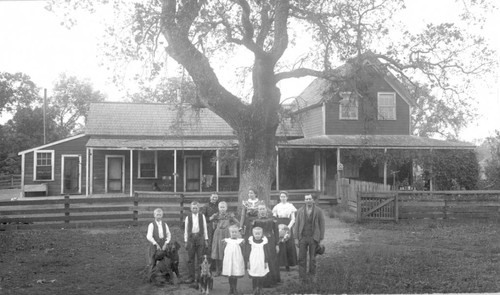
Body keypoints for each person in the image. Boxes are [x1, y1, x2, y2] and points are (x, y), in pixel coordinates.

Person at [294, 194, 325, 282]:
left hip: (313, 237)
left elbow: (322, 225)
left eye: (310, 199)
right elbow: (296, 225)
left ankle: (312, 276)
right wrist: (296, 238)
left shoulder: (318, 211)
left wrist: (321, 239)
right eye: (306, 199)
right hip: (303, 237)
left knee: (312, 259)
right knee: (301, 258)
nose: (308, 200)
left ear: (313, 200)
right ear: (304, 200)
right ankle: (302, 277)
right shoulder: (300, 211)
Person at [252, 204, 280, 287]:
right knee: (261, 260)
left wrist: (277, 244)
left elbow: (276, 232)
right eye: (260, 209)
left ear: (266, 210)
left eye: (263, 209)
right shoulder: (255, 221)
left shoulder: (272, 220)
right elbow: (252, 233)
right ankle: (262, 282)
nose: (262, 211)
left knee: (271, 260)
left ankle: (272, 281)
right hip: (260, 242)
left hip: (270, 241)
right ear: (258, 211)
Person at [210, 201, 239, 276]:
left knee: (225, 251)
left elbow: (237, 222)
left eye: (223, 207)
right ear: (218, 208)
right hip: (218, 234)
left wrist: (232, 228)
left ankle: (225, 270)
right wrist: (213, 219)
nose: (222, 209)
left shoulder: (229, 215)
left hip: (226, 234)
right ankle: (217, 270)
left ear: (226, 208)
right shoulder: (216, 215)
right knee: (217, 251)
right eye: (221, 207)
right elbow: (209, 220)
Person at [183, 201, 209, 284]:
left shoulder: (202, 216)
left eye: (196, 208)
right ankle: (191, 277)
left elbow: (205, 228)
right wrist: (186, 241)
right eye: (193, 208)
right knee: (190, 258)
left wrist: (206, 239)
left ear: (199, 208)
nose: (195, 209)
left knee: (200, 258)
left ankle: (199, 277)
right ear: (191, 209)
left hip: (200, 237)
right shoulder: (188, 217)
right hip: (191, 239)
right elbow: (186, 230)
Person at [272, 190, 298, 271]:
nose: (282, 198)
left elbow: (293, 219)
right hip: (279, 225)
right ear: (279, 198)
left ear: (287, 197)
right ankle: (279, 264)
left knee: (288, 244)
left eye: (284, 196)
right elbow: (274, 218)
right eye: (281, 197)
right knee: (280, 243)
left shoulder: (290, 206)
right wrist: (278, 227)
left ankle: (288, 265)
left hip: (287, 224)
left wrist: (288, 227)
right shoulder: (277, 206)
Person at [221, 224, 245, 295]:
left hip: (236, 259)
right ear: (230, 233)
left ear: (238, 233)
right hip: (229, 259)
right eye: (232, 232)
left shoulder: (240, 241)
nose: (234, 234)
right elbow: (223, 250)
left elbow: (243, 250)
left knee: (235, 274)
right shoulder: (226, 241)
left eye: (235, 232)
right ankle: (231, 288)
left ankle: (235, 288)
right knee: (230, 273)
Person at [245, 227, 269, 295]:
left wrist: (266, 261)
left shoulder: (264, 242)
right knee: (254, 276)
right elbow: (247, 252)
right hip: (253, 261)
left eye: (259, 234)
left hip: (261, 261)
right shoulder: (250, 241)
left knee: (261, 275)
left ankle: (260, 289)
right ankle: (254, 289)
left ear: (262, 234)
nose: (257, 235)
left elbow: (266, 252)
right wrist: (248, 261)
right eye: (256, 234)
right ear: (253, 234)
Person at [202, 193, 220, 270]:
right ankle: (209, 265)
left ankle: (217, 266)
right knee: (209, 245)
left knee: (216, 244)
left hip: (218, 226)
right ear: (210, 197)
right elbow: (202, 218)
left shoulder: (219, 206)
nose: (214, 199)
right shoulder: (206, 206)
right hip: (209, 227)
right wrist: (210, 218)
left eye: (216, 197)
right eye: (213, 197)